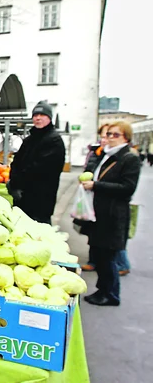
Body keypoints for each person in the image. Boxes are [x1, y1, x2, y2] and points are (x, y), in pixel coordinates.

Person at [81, 122, 141, 306]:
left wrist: (96, 186)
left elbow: (127, 188)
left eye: (115, 135)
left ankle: (111, 294)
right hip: (101, 214)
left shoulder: (128, 158)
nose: (110, 138)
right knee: (100, 254)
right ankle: (102, 290)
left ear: (126, 138)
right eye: (109, 134)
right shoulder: (107, 156)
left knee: (108, 258)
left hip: (113, 215)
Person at [7, 101, 65, 224]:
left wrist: (17, 183)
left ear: (49, 118)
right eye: (35, 115)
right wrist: (13, 183)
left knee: (39, 235)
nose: (38, 118)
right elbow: (16, 162)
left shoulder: (54, 140)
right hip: (23, 198)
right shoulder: (29, 140)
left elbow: (40, 169)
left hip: (40, 200)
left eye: (42, 115)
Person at [80, 124, 109, 272]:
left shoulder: (114, 157)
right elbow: (89, 169)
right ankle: (93, 261)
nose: (105, 140)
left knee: (110, 242)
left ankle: (122, 265)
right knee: (94, 233)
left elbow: (127, 187)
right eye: (103, 136)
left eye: (109, 136)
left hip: (108, 204)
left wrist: (95, 185)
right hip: (93, 199)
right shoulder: (96, 153)